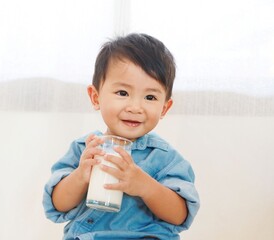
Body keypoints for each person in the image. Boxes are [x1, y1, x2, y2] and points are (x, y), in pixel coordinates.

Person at [43, 33, 200, 240]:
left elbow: (180, 216)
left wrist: (146, 186)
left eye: (150, 97)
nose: (135, 107)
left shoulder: (165, 158)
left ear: (164, 107)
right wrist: (80, 176)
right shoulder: (84, 149)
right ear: (96, 97)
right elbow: (57, 204)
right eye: (123, 93)